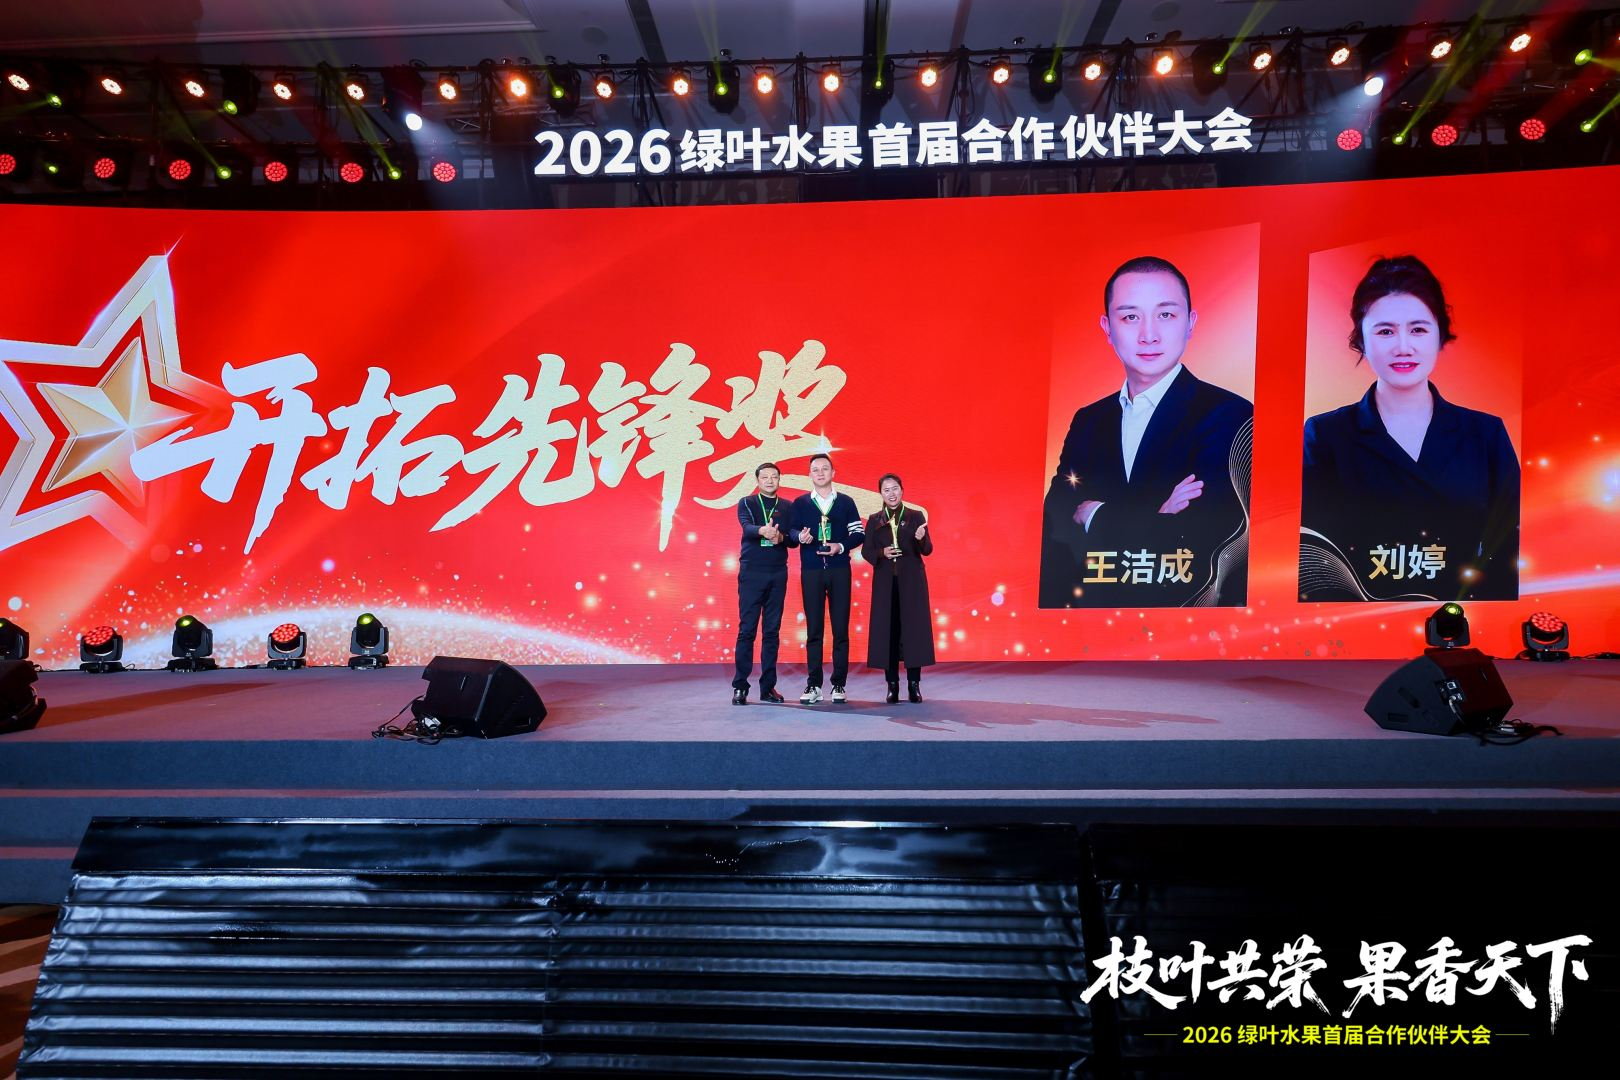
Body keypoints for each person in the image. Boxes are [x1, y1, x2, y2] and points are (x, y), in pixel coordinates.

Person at [1300, 255, 1519, 602]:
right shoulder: (1325, 435)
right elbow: (1314, 555)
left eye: (1418, 329)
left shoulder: (1485, 434)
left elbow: (1510, 550)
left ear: (1440, 335)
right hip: (1359, 620)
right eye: (1385, 331)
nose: (1403, 347)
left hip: (1463, 619)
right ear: (1361, 339)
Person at [1040, 256, 1254, 608]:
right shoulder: (1089, 420)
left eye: (1166, 315)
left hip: (1187, 614)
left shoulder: (1230, 414)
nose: (1148, 335)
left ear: (1190, 323)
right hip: (1089, 612)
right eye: (1130, 317)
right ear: (1107, 327)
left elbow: (1203, 534)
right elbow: (1056, 524)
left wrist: (1095, 514)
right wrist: (1160, 513)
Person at [790, 453, 864, 704]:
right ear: (809, 474)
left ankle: (838, 683)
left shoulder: (846, 502)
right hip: (811, 571)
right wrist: (800, 537)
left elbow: (858, 533)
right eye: (815, 469)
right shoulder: (800, 503)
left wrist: (840, 546)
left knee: (841, 628)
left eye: (824, 469)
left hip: (839, 569)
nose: (820, 473)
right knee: (814, 629)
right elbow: (791, 532)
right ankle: (814, 684)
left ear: (833, 473)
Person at [861, 473, 934, 703]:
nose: (891, 494)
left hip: (912, 583)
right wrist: (882, 552)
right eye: (886, 490)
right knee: (888, 633)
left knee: (913, 632)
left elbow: (927, 549)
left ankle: (914, 685)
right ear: (881, 494)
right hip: (885, 584)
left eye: (895, 489)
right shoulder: (875, 519)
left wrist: (921, 538)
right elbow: (866, 551)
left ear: (902, 490)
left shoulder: (915, 516)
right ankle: (892, 685)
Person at [731, 462, 796, 704]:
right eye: (765, 477)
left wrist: (781, 537)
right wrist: (763, 531)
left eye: (774, 477)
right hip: (752, 573)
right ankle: (740, 687)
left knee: (771, 632)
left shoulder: (787, 506)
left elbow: (792, 540)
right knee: (747, 630)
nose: (770, 480)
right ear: (758, 481)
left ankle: (768, 688)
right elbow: (747, 527)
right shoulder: (746, 502)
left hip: (778, 573)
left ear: (779, 479)